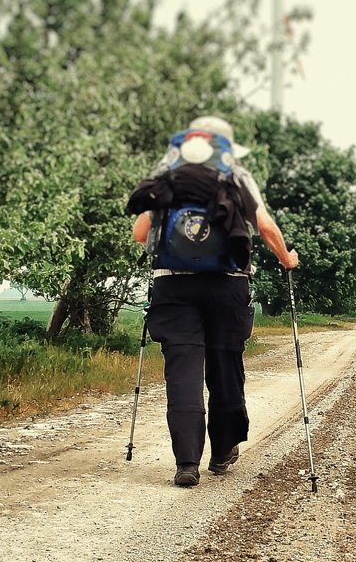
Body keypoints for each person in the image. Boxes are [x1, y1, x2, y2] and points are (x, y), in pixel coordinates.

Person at [126, 116, 299, 487]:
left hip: (172, 286)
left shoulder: (168, 173)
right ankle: (222, 451)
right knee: (225, 363)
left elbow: (141, 232)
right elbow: (265, 226)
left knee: (183, 370)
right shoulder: (235, 174)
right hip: (228, 284)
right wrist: (287, 258)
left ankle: (186, 462)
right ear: (227, 146)